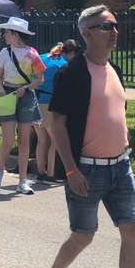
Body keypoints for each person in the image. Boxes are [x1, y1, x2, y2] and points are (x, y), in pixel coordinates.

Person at [40, 4, 135, 268]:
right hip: (87, 169)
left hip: (121, 166)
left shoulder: (115, 68)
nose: (115, 31)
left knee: (132, 228)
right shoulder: (72, 73)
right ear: (87, 32)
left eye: (115, 25)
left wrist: (123, 136)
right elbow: (57, 123)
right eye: (107, 26)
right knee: (83, 234)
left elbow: (113, 109)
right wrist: (71, 170)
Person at [0, 17, 45, 195]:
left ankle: (22, 180)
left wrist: (26, 88)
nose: (4, 35)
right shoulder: (5, 52)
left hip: (26, 96)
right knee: (8, 138)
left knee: (24, 140)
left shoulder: (32, 53)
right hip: (7, 94)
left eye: (7, 32)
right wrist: (0, 89)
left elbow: (39, 79)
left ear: (15, 34)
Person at [34, 40, 78, 182]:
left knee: (41, 140)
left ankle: (40, 172)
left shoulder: (41, 57)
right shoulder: (63, 63)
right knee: (55, 141)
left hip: (35, 101)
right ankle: (51, 174)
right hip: (49, 102)